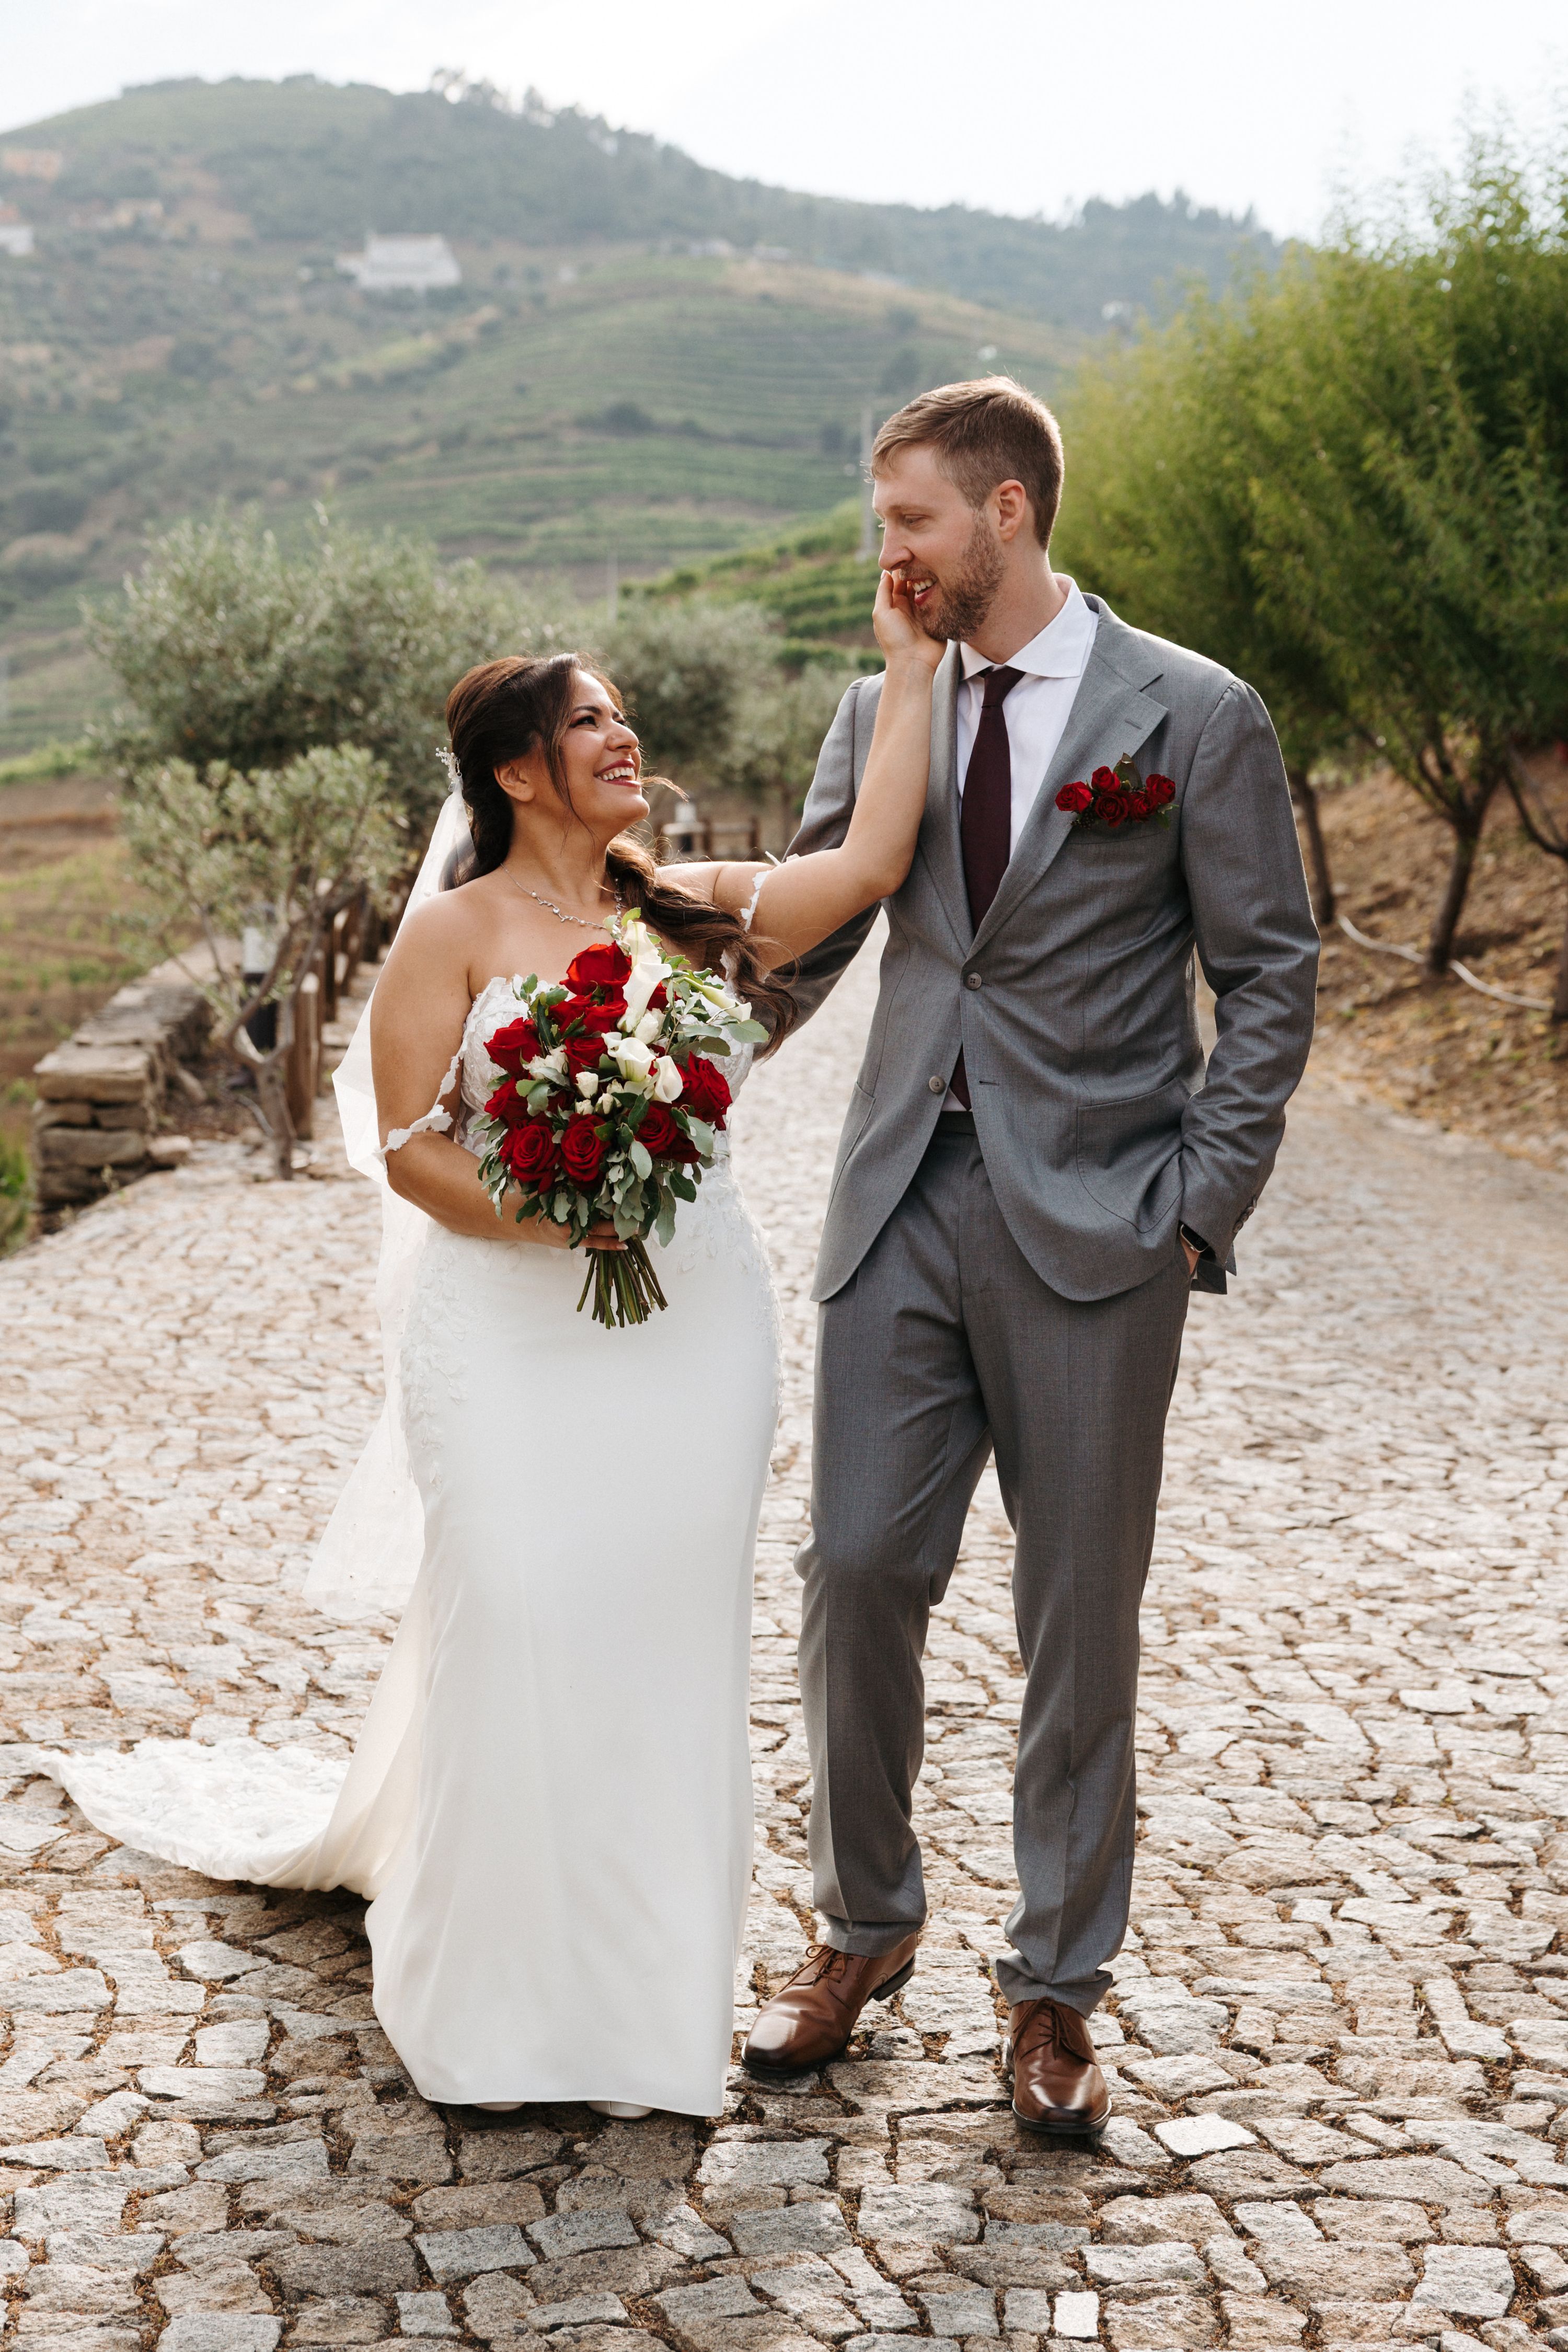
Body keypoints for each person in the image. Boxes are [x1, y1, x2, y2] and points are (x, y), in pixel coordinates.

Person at [43, 570, 943, 2122]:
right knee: (522, 1610)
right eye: (590, 718)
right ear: (520, 770)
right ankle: (504, 1994)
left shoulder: (684, 906)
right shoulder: (453, 933)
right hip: (512, 1331)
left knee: (669, 1641)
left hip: (693, 1328)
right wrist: (566, 1211)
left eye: (620, 713)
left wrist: (913, 665)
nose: (623, 733)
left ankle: (647, 2005)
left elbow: (868, 862)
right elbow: (406, 1150)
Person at [742, 376, 1319, 2137]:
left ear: (1004, 513)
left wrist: (1196, 1210)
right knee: (853, 1568)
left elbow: (1272, 975)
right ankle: (865, 1926)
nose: (887, 556)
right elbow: (816, 942)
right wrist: (641, 1080)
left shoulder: (1195, 718)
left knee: (1079, 1621)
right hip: (899, 1198)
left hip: (1101, 1225)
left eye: (911, 520)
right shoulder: (878, 704)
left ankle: (1057, 1989)